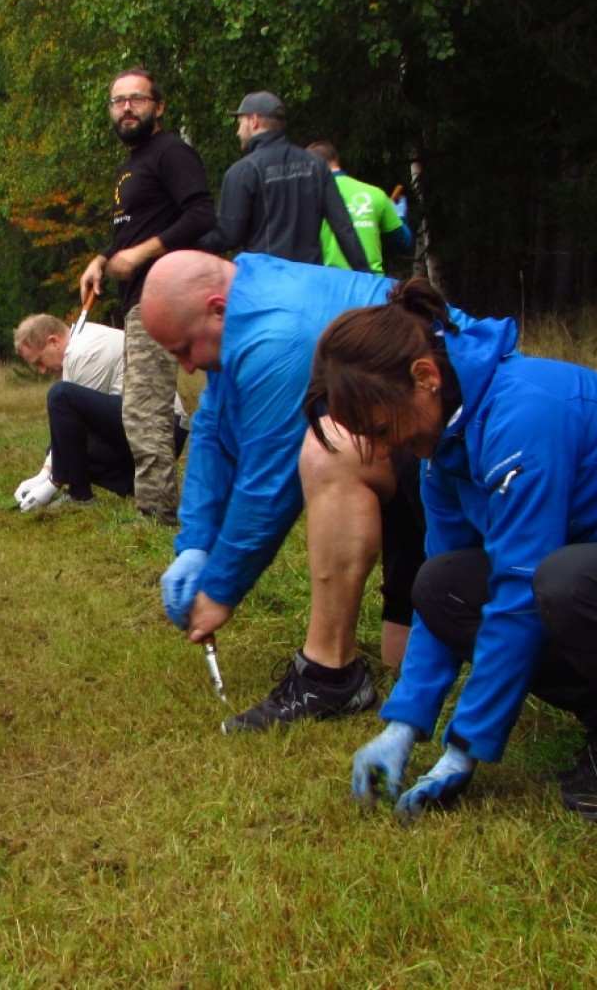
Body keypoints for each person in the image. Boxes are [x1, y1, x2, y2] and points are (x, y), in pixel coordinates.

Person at [305, 276, 597, 822]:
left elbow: (519, 592)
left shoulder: (523, 415)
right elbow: (439, 602)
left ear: (426, 377)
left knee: (560, 583)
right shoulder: (443, 450)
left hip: (579, 576)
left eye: (381, 428)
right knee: (440, 587)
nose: (384, 449)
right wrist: (407, 724)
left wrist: (464, 745)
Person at [141, 250, 428, 733]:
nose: (187, 368)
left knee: (327, 450)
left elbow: (268, 484)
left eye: (184, 349)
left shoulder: (277, 336)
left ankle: (330, 675)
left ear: (215, 308)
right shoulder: (243, 303)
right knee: (400, 655)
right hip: (398, 455)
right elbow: (213, 428)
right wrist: (195, 543)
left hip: (444, 464)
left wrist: (220, 590)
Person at [79, 67, 215, 525]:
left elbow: (201, 216)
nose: (126, 108)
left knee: (143, 408)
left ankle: (158, 514)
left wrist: (139, 255)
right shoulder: (133, 163)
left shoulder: (171, 152)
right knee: (145, 405)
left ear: (158, 107)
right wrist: (103, 258)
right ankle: (168, 506)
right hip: (140, 294)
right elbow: (133, 229)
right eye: (117, 101)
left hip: (164, 295)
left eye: (136, 99)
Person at [12, 313, 188, 511]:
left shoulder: (83, 353)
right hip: (146, 425)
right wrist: (43, 473)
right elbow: (68, 437)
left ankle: (80, 495)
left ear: (53, 342)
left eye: (39, 361)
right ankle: (136, 482)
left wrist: (52, 483)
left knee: (59, 395)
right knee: (58, 449)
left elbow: (82, 429)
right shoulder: (79, 339)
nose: (42, 371)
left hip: (163, 427)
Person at [198, 92, 370, 272]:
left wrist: (179, 243)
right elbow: (343, 228)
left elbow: (228, 236)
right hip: (309, 280)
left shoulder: (243, 170)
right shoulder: (317, 165)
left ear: (254, 120)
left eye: (240, 123)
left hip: (266, 284)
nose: (238, 131)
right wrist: (368, 276)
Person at [306, 141, 412, 274]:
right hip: (371, 284)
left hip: (332, 285)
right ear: (336, 161)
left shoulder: (310, 200)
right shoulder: (376, 194)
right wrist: (399, 216)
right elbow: (403, 243)